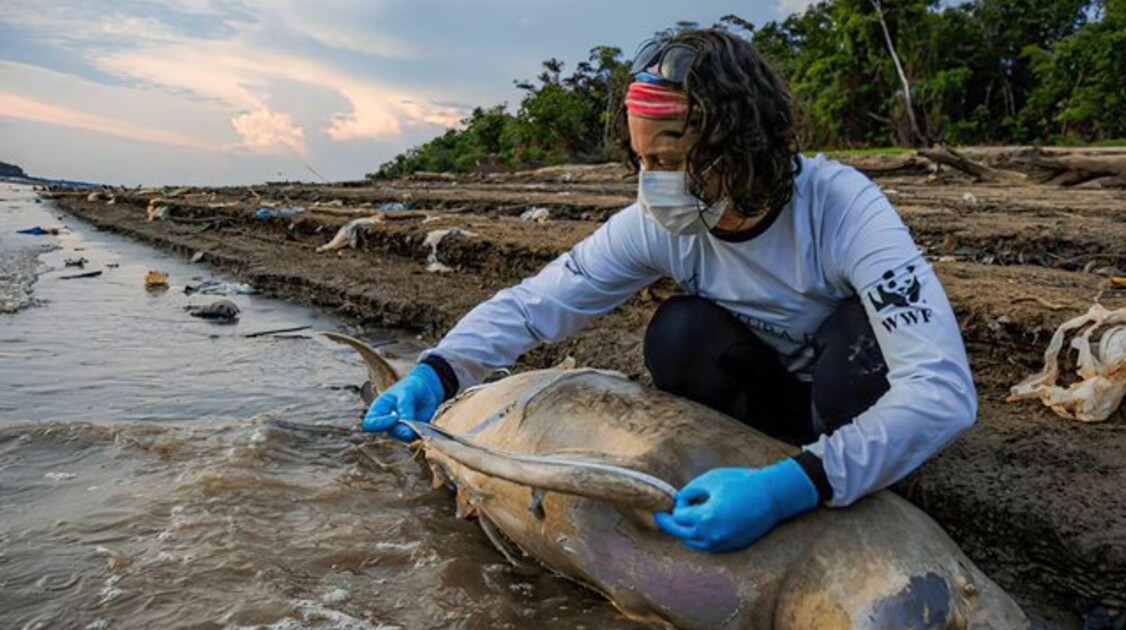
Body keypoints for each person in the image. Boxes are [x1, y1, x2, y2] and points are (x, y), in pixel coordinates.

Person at [363, 29, 976, 553]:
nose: (656, 184)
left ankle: (834, 472)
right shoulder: (660, 224)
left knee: (860, 342)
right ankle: (752, 467)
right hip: (766, 400)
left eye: (674, 158)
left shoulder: (842, 209)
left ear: (743, 144)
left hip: (843, 397)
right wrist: (438, 372)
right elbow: (539, 303)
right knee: (678, 333)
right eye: (642, 162)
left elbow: (942, 392)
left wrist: (793, 486)